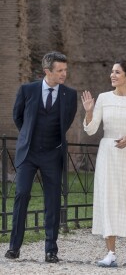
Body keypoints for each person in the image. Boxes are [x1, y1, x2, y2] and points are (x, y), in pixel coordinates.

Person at [5, 51, 77, 263]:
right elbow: (18, 117)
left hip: (53, 154)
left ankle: (51, 250)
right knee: (22, 195)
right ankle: (14, 247)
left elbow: (67, 121)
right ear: (47, 71)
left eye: (65, 70)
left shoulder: (69, 95)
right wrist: (29, 137)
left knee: (52, 201)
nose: (64, 74)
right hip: (29, 153)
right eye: (60, 70)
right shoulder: (27, 90)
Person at [81, 60, 126, 268]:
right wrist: (88, 111)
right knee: (108, 198)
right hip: (107, 153)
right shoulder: (103, 98)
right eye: (112, 72)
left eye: (117, 72)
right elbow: (91, 130)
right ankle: (110, 253)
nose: (112, 75)